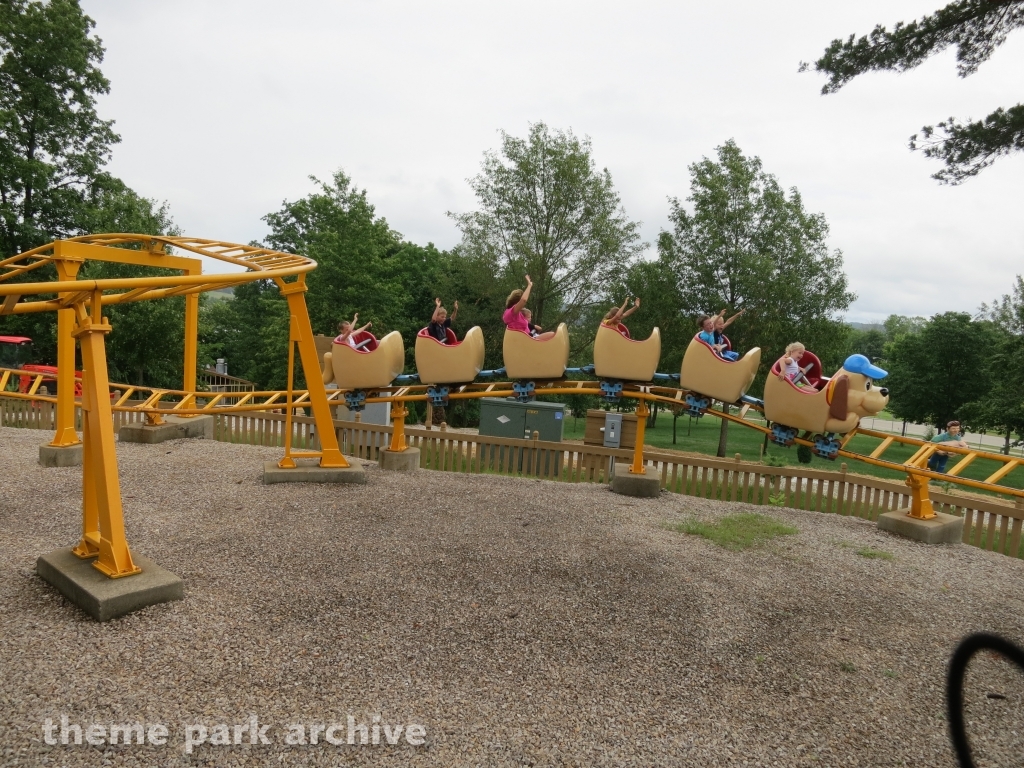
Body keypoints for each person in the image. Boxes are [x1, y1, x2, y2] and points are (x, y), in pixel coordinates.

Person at [503, 276, 556, 340]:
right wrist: (529, 285)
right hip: (526, 340)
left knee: (552, 335)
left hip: (529, 337)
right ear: (518, 301)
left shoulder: (515, 313)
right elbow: (523, 300)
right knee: (552, 335)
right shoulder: (512, 313)